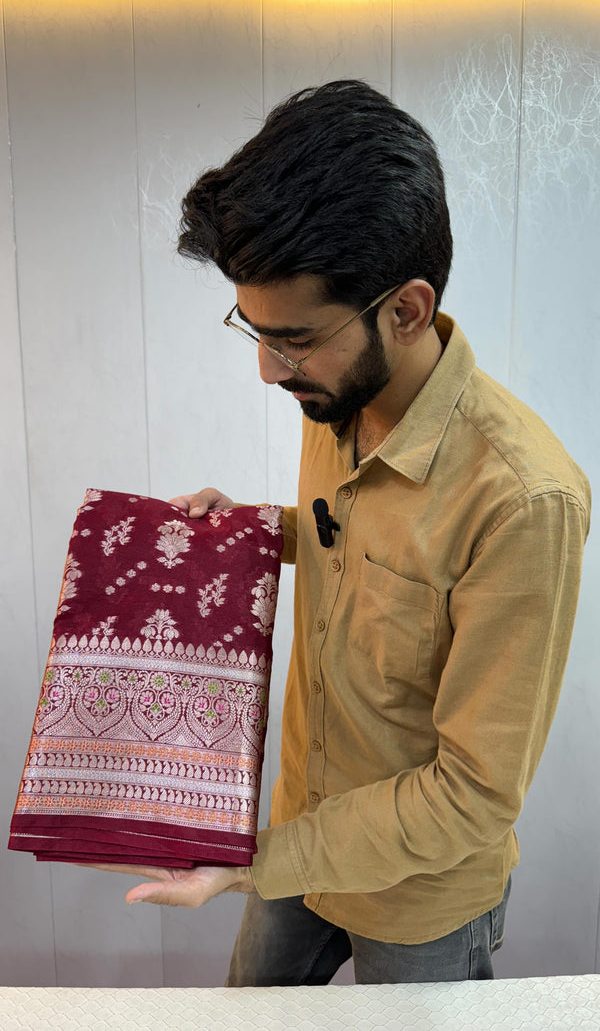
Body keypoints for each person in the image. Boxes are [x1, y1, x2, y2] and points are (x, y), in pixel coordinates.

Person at [96, 80, 591, 985]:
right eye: (253, 328)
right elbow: (355, 540)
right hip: (295, 833)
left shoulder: (525, 499)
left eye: (291, 340)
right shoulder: (334, 392)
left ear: (404, 310)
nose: (264, 369)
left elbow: (475, 795)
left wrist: (255, 859)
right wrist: (244, 534)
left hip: (421, 899)